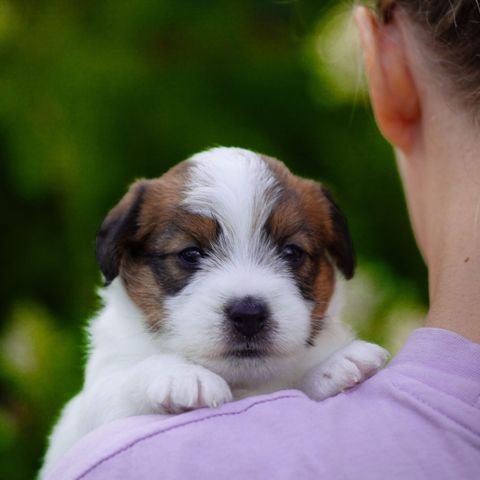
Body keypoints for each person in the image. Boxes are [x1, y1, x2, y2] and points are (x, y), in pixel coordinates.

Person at [45, 2, 480, 478]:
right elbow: (101, 414)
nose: (248, 304)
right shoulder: (126, 378)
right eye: (190, 256)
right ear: (120, 256)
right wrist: (147, 383)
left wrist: (317, 380)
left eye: (292, 254)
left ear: (335, 257)